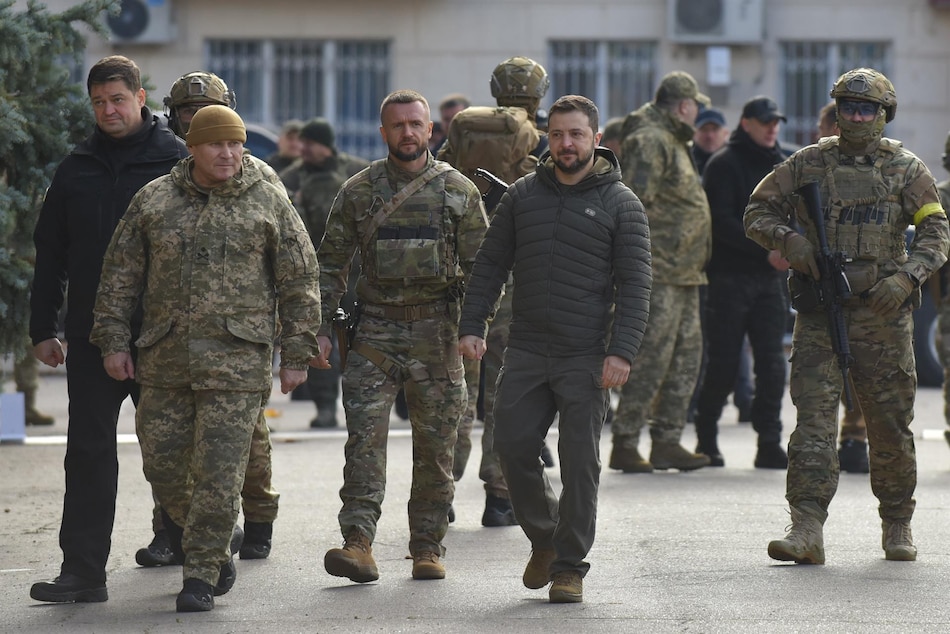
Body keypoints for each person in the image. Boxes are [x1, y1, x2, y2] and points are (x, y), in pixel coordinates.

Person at [90, 104, 321, 611]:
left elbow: (300, 278)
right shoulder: (154, 200)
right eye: (217, 144)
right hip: (164, 359)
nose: (229, 153)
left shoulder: (267, 199)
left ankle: (200, 573)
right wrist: (112, 341)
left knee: (219, 474)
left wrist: (298, 352)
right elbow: (119, 275)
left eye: (236, 143)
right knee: (164, 468)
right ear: (192, 147)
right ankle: (214, 550)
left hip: (237, 363)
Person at [745, 68, 950, 564]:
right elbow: (757, 212)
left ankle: (897, 522)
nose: (855, 117)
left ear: (883, 115)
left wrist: (907, 278)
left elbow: (936, 234)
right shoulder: (807, 163)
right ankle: (806, 525)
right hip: (821, 311)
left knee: (888, 424)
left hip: (883, 315)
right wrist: (791, 241)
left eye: (866, 109)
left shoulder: (905, 168)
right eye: (848, 108)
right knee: (813, 420)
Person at [458, 94, 652, 603]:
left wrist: (621, 352)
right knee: (512, 449)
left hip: (586, 356)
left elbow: (635, 285)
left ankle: (569, 566)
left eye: (577, 135)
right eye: (559, 135)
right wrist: (472, 324)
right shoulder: (523, 195)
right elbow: (490, 265)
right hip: (525, 350)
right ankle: (545, 537)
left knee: (579, 462)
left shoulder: (621, 203)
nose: (567, 144)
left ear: (596, 139)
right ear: (549, 138)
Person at [28, 55, 189, 605]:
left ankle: (193, 551)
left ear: (141, 98)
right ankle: (82, 571)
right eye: (98, 102)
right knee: (89, 450)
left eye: (117, 99)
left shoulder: (176, 161)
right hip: (95, 334)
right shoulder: (77, 167)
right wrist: (42, 327)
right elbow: (51, 252)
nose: (108, 110)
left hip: (164, 333)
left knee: (172, 448)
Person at [318, 89, 488, 583]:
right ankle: (358, 542)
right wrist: (323, 330)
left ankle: (427, 547)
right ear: (383, 132)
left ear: (431, 130)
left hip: (439, 333)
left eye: (416, 124)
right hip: (374, 332)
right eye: (398, 125)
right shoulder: (357, 191)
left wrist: (476, 328)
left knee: (436, 448)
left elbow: (484, 268)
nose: (408, 133)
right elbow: (331, 264)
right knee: (363, 443)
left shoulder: (458, 191)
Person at [131, 71, 288, 567]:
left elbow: (291, 260)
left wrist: (292, 340)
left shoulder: (257, 178)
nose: (195, 120)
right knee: (168, 447)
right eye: (187, 112)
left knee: (244, 450)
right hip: (168, 336)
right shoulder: (157, 170)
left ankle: (257, 515)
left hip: (236, 344)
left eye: (209, 110)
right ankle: (172, 531)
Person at [438, 55, 550, 526]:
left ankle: (440, 493)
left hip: (463, 274)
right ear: (539, 94)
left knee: (456, 388)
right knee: (506, 391)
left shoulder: (463, 138)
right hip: (515, 280)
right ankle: (499, 497)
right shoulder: (540, 143)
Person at [609, 71, 712, 473]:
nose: (697, 113)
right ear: (685, 106)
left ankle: (667, 439)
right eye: (696, 107)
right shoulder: (651, 139)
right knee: (651, 358)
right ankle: (626, 440)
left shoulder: (672, 138)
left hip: (684, 271)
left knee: (686, 357)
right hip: (660, 271)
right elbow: (634, 204)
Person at [693, 96, 792, 469]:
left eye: (776, 122)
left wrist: (790, 247)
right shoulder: (724, 164)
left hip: (768, 282)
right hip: (730, 278)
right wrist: (765, 251)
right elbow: (721, 222)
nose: (773, 128)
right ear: (746, 123)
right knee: (723, 363)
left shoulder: (780, 164)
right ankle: (706, 437)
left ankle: (769, 440)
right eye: (766, 121)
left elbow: (793, 214)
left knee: (772, 363)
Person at [280, 117, 369, 430]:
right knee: (320, 340)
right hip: (316, 274)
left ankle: (363, 409)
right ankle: (325, 407)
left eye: (310, 143)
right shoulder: (291, 178)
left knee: (363, 345)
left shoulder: (357, 172)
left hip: (360, 274)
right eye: (301, 142)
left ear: (326, 144)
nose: (303, 149)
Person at [815, 100, 871, 474]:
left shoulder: (877, 165)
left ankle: (854, 437)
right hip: (819, 284)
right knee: (819, 376)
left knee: (859, 367)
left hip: (862, 285)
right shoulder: (809, 167)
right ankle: (818, 449)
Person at [691, 107, 729, 176]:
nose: (710, 136)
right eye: (704, 129)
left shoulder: (735, 162)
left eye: (715, 129)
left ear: (725, 133)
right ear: (694, 134)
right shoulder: (687, 161)